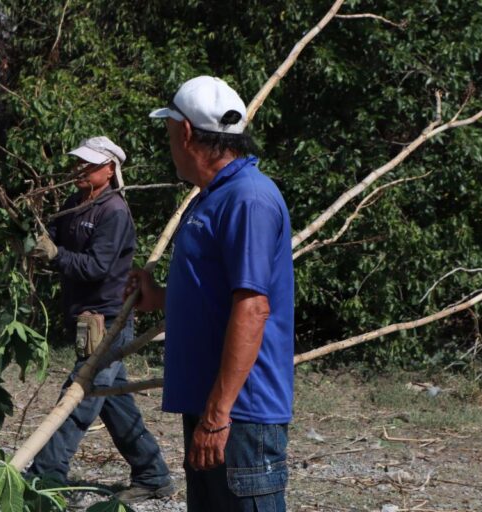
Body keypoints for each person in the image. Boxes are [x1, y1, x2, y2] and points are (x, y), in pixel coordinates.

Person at [127, 76, 295, 511]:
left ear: (185, 132)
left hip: (240, 415)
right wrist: (159, 298)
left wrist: (218, 416)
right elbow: (216, 295)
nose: (170, 145)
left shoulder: (248, 199)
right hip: (212, 407)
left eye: (169, 133)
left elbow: (254, 307)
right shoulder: (212, 198)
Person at [28, 136, 174, 503]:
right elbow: (53, 240)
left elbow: (96, 267)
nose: (79, 169)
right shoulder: (74, 203)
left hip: (109, 319)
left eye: (89, 164)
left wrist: (55, 255)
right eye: (78, 162)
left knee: (79, 394)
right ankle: (153, 475)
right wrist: (33, 239)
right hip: (84, 316)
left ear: (109, 170)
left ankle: (47, 476)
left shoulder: (114, 213)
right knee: (112, 401)